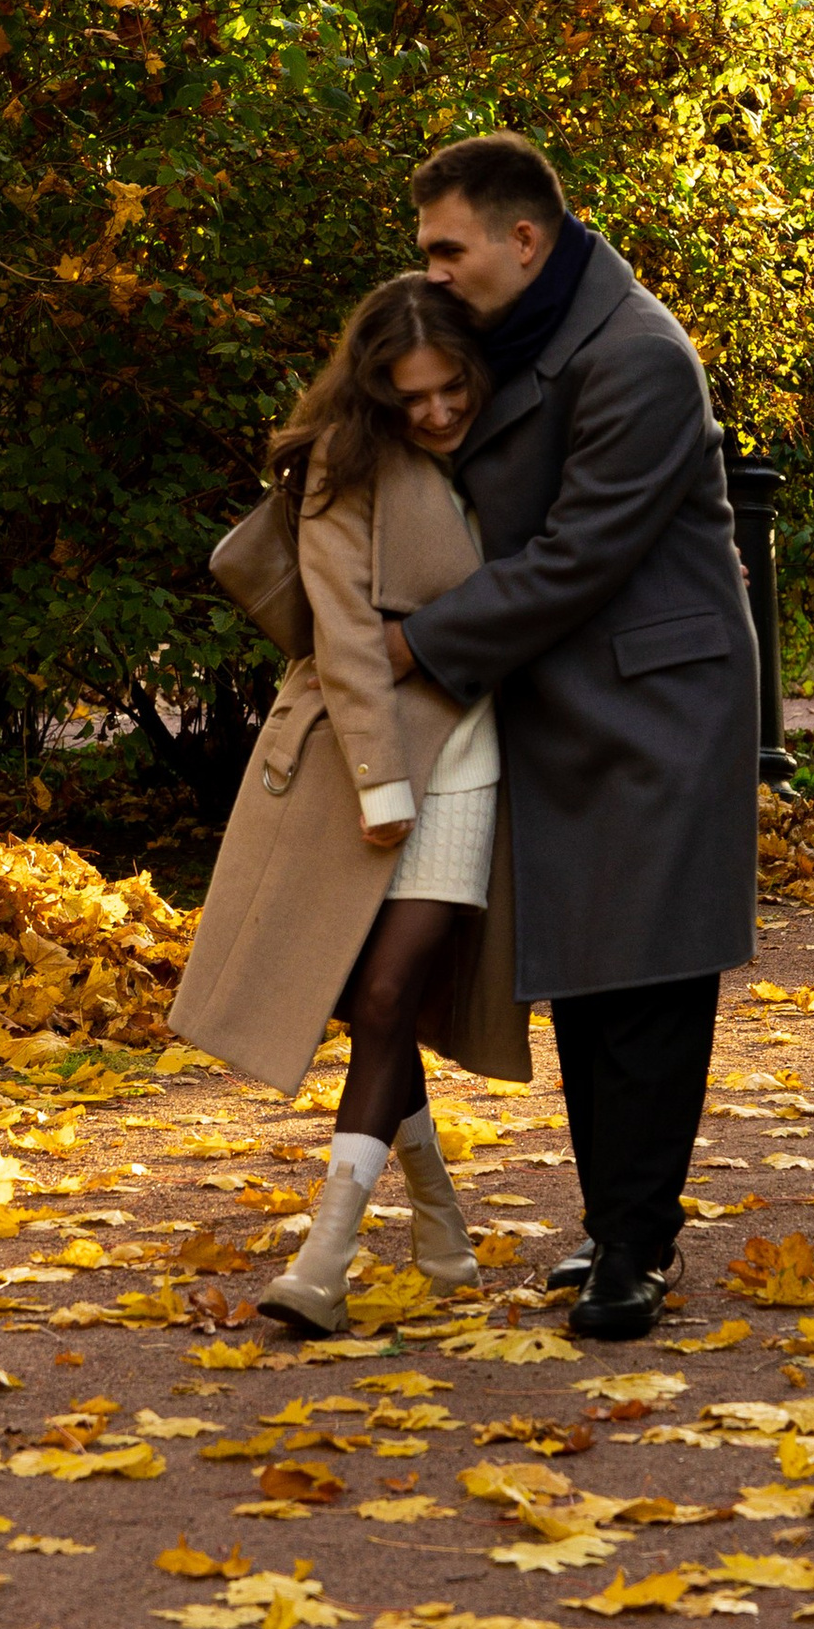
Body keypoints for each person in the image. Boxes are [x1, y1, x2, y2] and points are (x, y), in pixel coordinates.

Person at [388, 133, 758, 1342]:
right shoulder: (514, 335)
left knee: (648, 973)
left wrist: (418, 643)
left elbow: (581, 553)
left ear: (521, 240)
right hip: (571, 692)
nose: (432, 271)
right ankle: (613, 1227)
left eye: (447, 248)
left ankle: (636, 1251)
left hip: (658, 701)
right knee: (587, 976)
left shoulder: (637, 353)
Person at [167, 273, 529, 1333]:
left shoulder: (516, 445)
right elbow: (343, 635)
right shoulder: (344, 463)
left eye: (450, 387)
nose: (437, 412)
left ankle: (324, 1256)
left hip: (472, 759)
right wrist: (377, 781)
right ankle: (440, 1224)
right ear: (374, 393)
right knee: (349, 998)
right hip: (351, 760)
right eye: (412, 397)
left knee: (384, 998)